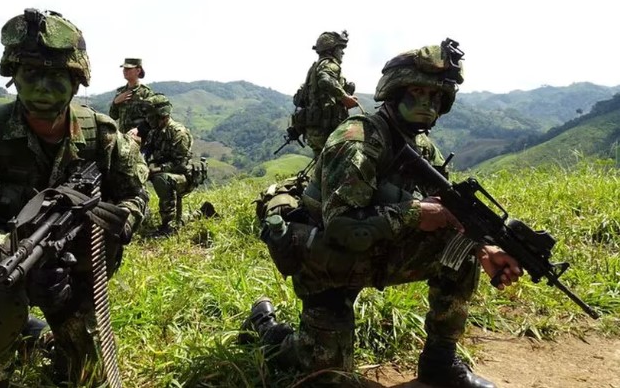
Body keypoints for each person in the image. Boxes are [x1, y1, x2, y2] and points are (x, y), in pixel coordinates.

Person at [242, 39, 522, 388]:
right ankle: (267, 330)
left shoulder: (423, 148)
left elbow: (449, 214)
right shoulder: (357, 141)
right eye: (416, 92)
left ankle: (439, 362)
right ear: (393, 93)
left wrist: (484, 247)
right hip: (329, 259)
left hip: (377, 247)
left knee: (461, 250)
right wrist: (414, 214)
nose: (425, 103)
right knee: (325, 372)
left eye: (434, 96)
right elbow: (342, 227)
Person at [0, 8, 149, 387]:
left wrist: (117, 222)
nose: (42, 88)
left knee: (89, 375)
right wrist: (11, 257)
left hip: (75, 266)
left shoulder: (103, 135)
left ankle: (39, 333)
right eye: (30, 75)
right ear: (13, 77)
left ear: (76, 81)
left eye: (56, 77)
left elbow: (135, 195)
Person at [143, 94, 215, 237]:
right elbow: (148, 153)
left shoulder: (178, 133)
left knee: (162, 180)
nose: (148, 120)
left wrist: (155, 170)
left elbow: (180, 164)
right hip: (162, 171)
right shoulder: (155, 132)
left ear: (163, 116)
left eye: (152, 117)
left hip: (183, 176)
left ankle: (168, 226)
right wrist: (147, 166)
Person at [293, 30, 360, 158]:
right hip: (327, 129)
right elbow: (325, 80)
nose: (342, 52)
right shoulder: (330, 65)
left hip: (314, 130)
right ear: (331, 49)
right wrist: (345, 98)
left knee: (322, 166)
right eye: (340, 48)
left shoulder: (314, 68)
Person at [108, 58, 155, 145]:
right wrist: (116, 102)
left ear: (138, 70)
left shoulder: (146, 93)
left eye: (128, 69)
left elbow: (153, 119)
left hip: (140, 140)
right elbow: (113, 115)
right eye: (124, 69)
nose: (125, 71)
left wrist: (139, 129)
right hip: (123, 140)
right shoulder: (120, 92)